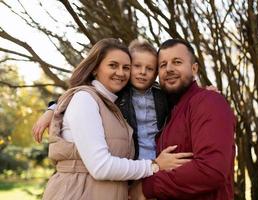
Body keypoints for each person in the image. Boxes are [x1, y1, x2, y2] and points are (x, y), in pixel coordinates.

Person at [41, 38, 193, 200]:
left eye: (125, 67)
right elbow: (76, 96)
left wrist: (205, 92)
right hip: (84, 188)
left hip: (141, 175)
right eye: (113, 65)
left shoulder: (154, 96)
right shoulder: (98, 97)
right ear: (95, 68)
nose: (121, 73)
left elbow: (184, 96)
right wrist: (52, 109)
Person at [129, 39, 236, 200]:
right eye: (163, 65)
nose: (169, 69)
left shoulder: (208, 102)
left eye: (177, 62)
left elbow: (212, 169)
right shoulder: (167, 112)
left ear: (194, 68)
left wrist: (147, 187)